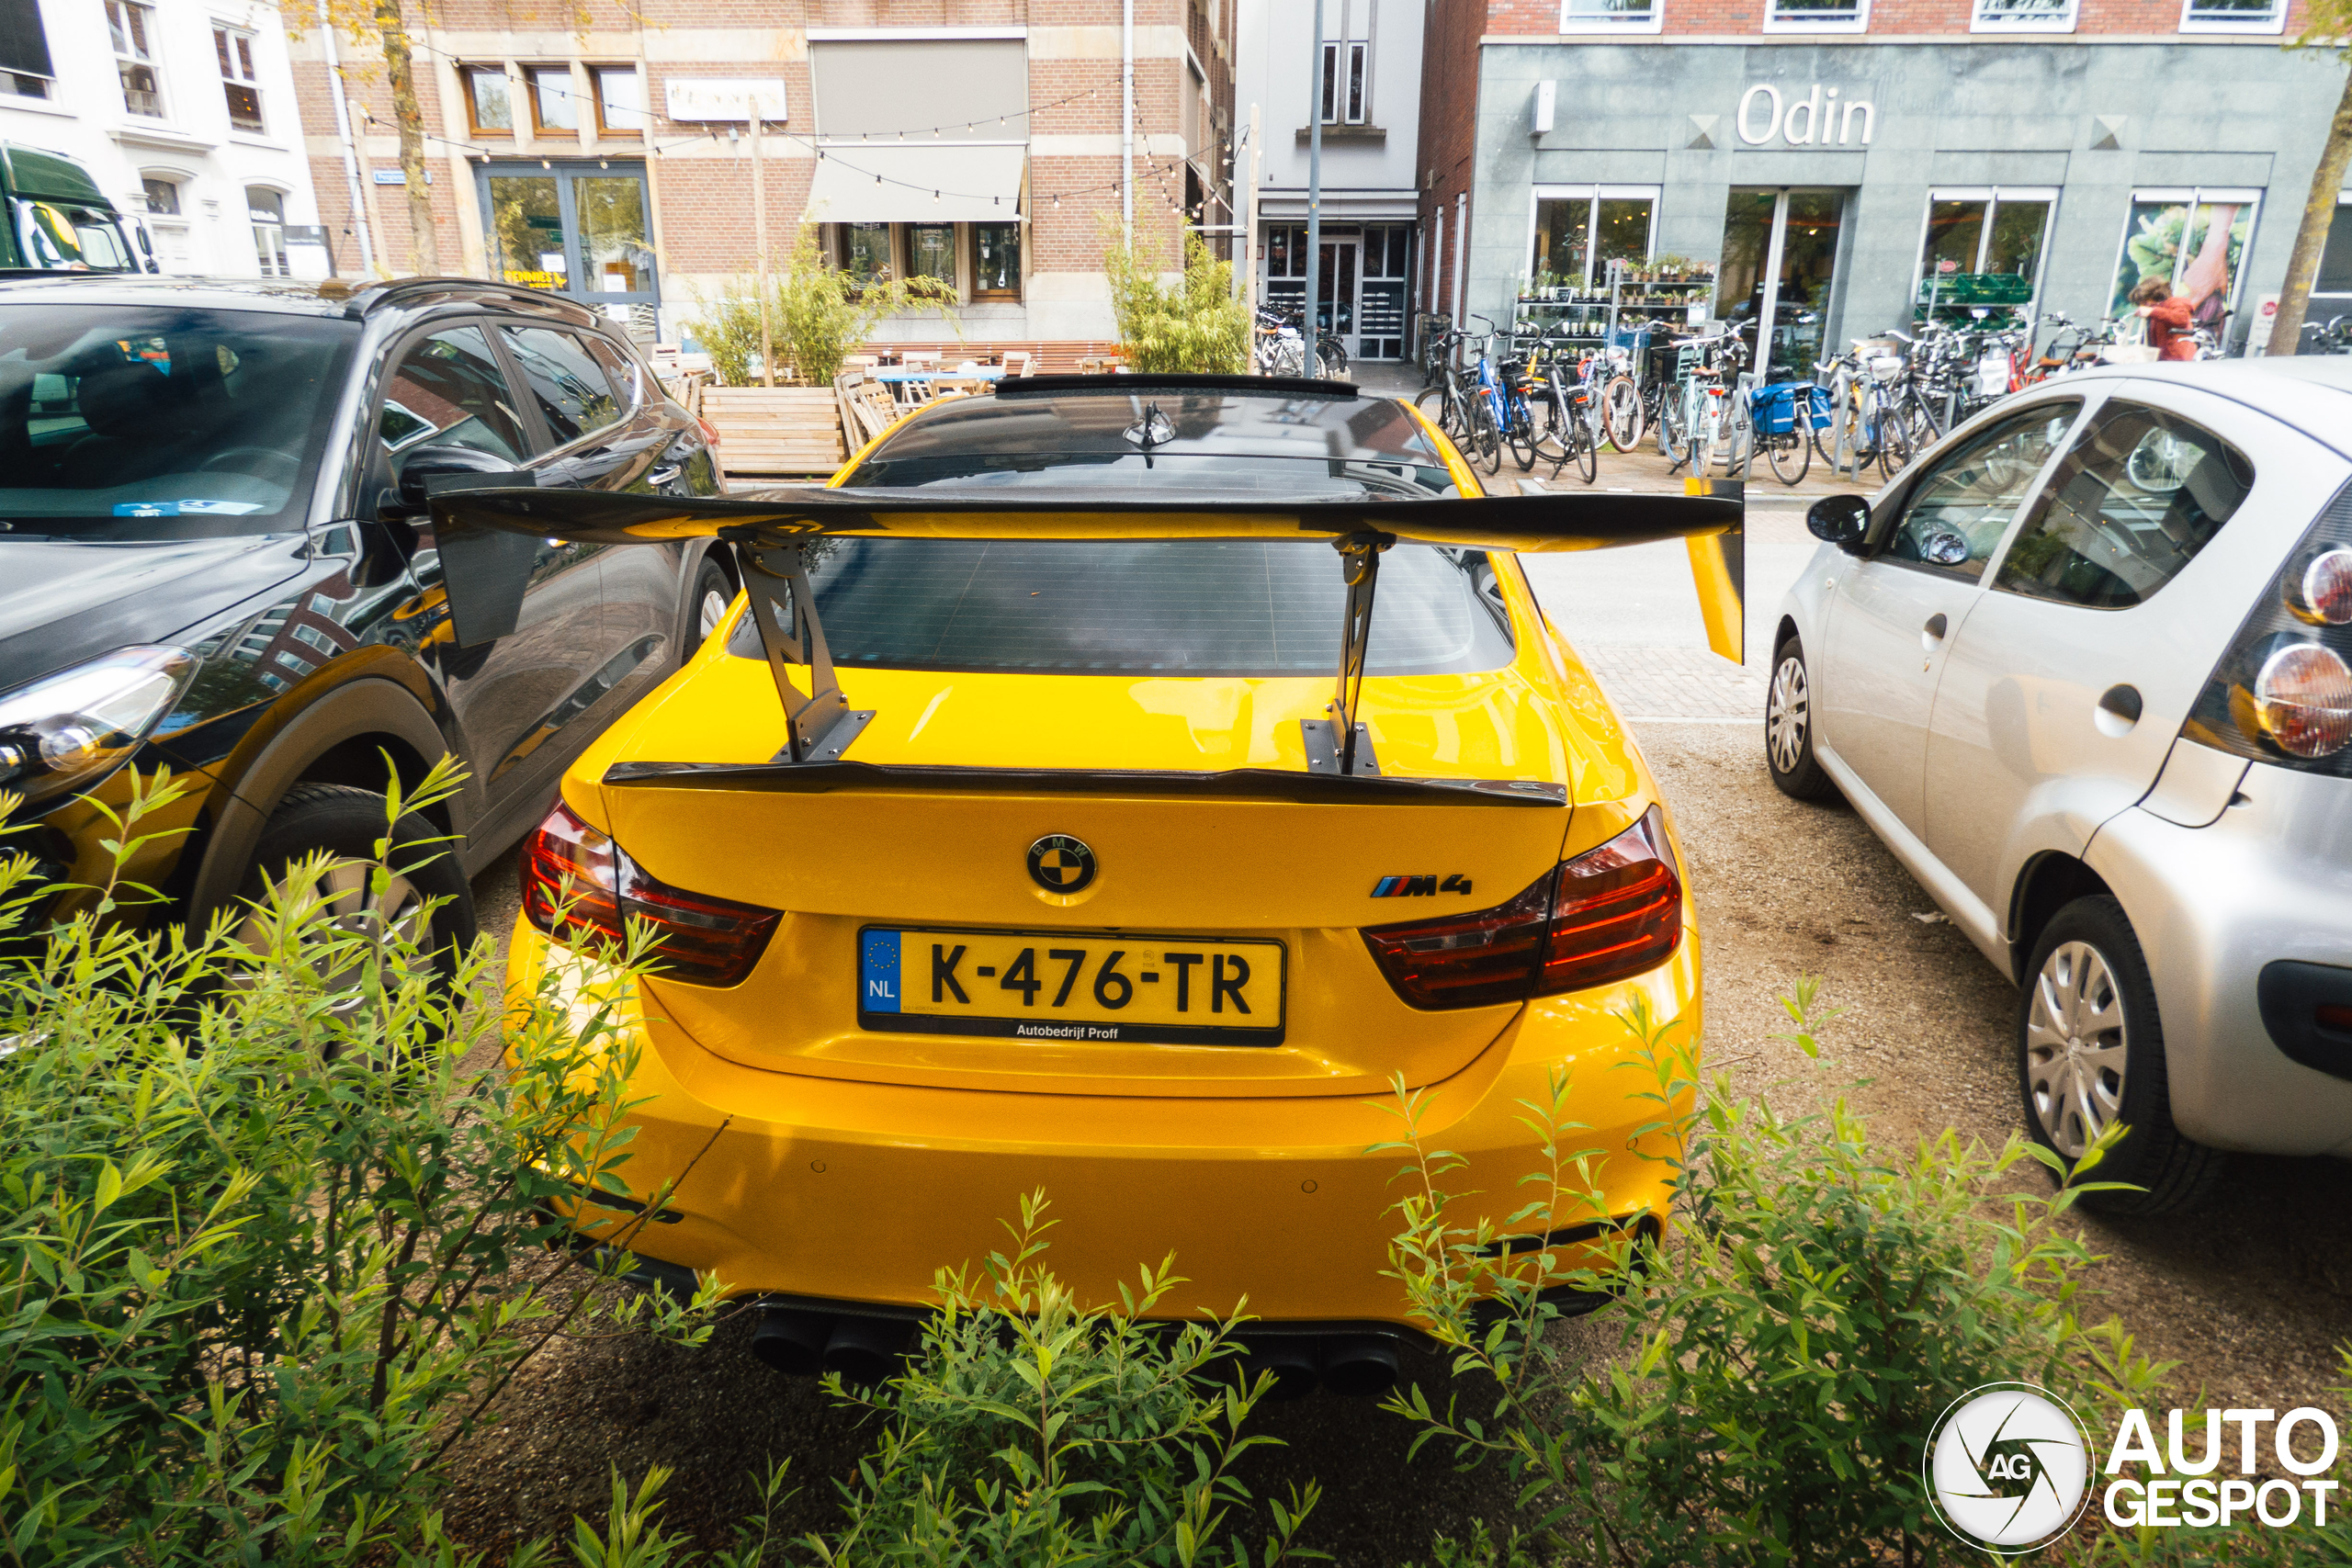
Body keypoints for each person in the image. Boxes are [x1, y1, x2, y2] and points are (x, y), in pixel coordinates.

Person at [2130, 276, 2197, 361]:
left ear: (2155, 295)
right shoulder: (2157, 310)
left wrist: (2152, 311)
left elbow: (2181, 319)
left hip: (2176, 358)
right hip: (2164, 358)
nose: (2145, 306)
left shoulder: (2175, 302)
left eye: (2146, 302)